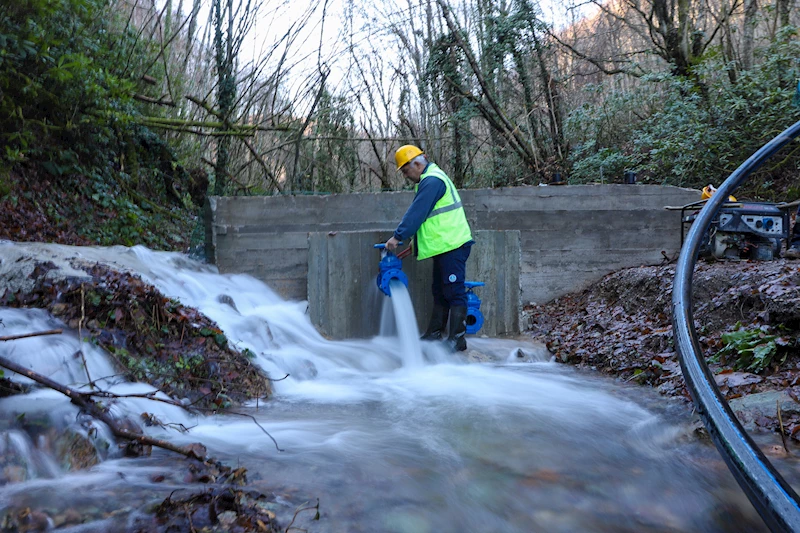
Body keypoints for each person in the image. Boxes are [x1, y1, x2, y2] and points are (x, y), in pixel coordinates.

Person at [385, 145, 474, 351]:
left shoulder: (432, 181)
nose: (405, 176)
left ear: (417, 163)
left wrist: (397, 236)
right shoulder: (430, 179)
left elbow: (417, 213)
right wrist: (415, 244)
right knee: (440, 291)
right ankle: (434, 334)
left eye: (405, 171)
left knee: (454, 291)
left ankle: (457, 339)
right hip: (444, 245)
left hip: (453, 245)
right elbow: (431, 218)